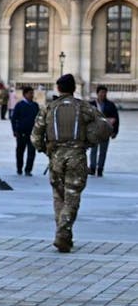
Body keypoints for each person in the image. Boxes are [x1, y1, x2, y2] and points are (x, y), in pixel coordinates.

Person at [30, 74, 104, 253]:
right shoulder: (83, 107)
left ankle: (63, 234)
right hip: (76, 156)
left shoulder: (49, 108)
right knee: (72, 196)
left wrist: (43, 148)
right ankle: (63, 233)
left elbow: (35, 136)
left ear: (58, 88)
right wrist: (89, 141)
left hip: (55, 157)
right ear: (73, 89)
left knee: (58, 196)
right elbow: (104, 125)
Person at [88, 85, 120, 177]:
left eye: (105, 92)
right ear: (97, 93)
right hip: (94, 132)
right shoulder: (91, 104)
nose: (103, 94)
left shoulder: (110, 105)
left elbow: (116, 118)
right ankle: (93, 167)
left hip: (105, 131)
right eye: (101, 92)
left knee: (103, 151)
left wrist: (115, 132)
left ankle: (100, 169)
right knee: (93, 150)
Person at [10, 86, 39, 176]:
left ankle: (28, 169)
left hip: (32, 133)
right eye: (30, 93)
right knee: (20, 151)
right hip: (21, 132)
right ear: (25, 94)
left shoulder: (35, 105)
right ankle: (19, 168)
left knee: (31, 152)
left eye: (32, 93)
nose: (32, 95)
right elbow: (14, 118)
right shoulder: (19, 105)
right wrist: (15, 130)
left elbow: (39, 119)